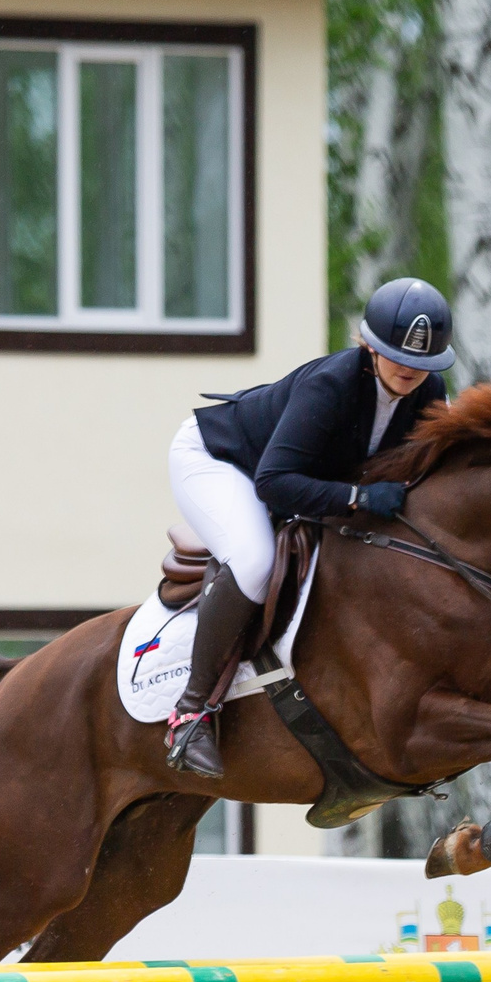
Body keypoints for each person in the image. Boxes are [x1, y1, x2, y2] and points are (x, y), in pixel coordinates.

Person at [161, 276, 456, 776]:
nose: (411, 370)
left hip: (290, 475)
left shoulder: (430, 392)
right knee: (255, 563)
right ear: (369, 346)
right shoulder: (333, 384)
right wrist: (359, 497)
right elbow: (275, 482)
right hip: (221, 461)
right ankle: (189, 713)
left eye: (423, 363)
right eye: (398, 355)